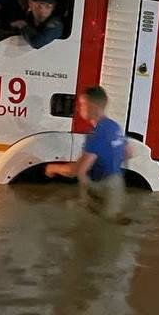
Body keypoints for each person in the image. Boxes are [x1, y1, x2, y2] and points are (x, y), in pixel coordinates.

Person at [45, 86, 126, 221]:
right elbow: (128, 152)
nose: (79, 108)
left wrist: (52, 168)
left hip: (102, 187)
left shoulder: (97, 133)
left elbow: (76, 170)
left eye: (83, 104)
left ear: (93, 106)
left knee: (98, 227)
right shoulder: (114, 126)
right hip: (115, 184)